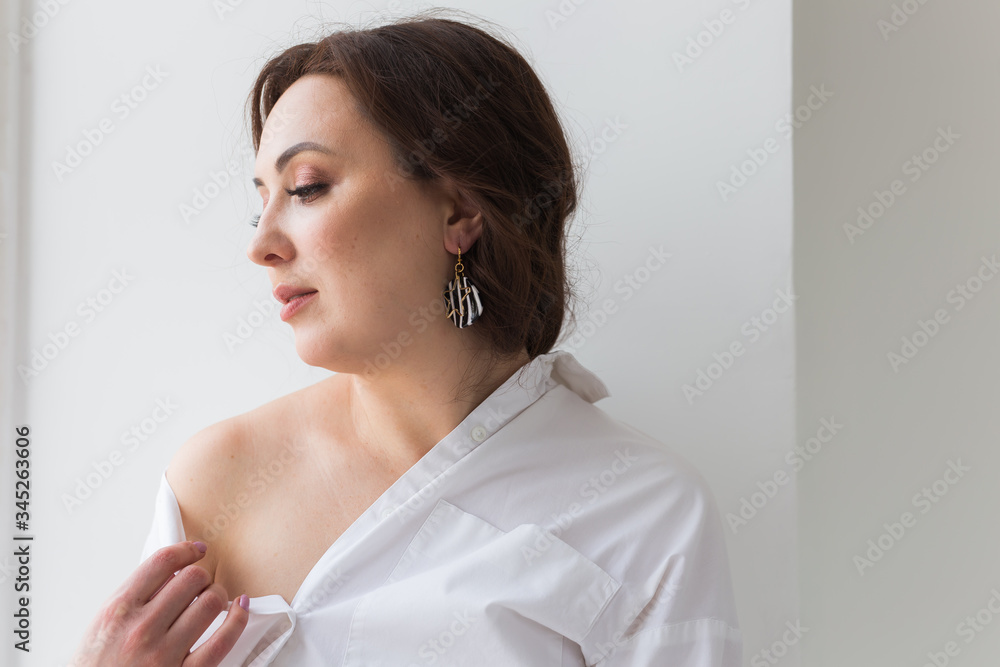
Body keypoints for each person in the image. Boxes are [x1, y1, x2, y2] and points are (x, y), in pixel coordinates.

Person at [70, 10, 742, 666]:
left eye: (307, 188)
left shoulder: (643, 510)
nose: (262, 244)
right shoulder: (219, 478)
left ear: (458, 211)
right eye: (260, 199)